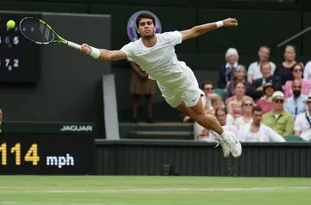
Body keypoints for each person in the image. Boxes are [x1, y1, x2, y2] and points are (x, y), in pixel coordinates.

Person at [77, 13, 241, 158]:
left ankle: (226, 135)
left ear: (154, 27)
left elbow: (195, 31)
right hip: (167, 88)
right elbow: (110, 55)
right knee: (193, 116)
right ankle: (220, 132)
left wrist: (221, 23)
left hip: (184, 81)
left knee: (199, 116)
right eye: (142, 24)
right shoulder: (134, 48)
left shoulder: (167, 38)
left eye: (149, 23)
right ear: (139, 31)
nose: (146, 26)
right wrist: (91, 50)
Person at [128, 58, 157, 123]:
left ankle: (150, 117)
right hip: (137, 75)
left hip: (149, 74)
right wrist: (139, 73)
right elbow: (132, 63)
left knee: (149, 96)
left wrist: (148, 73)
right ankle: (134, 117)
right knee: (136, 96)